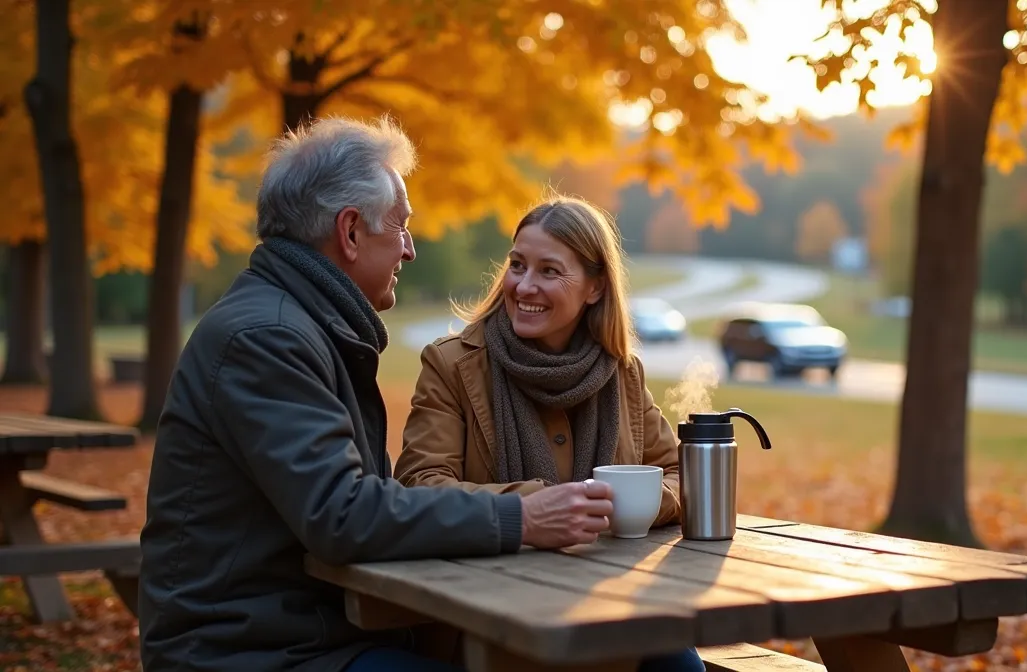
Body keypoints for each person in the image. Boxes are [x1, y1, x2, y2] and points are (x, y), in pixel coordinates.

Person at [137, 117, 617, 672]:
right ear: (350, 232)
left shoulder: (303, 325)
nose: (409, 249)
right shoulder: (267, 338)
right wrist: (521, 517)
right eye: (400, 226)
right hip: (245, 651)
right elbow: (342, 513)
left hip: (308, 631)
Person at [394, 196, 705, 672]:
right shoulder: (452, 365)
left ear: (595, 287)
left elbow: (679, 475)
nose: (524, 286)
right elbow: (420, 487)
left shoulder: (622, 372)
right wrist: (537, 508)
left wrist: (626, 503)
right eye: (517, 265)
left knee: (680, 665)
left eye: (549, 271)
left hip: (609, 604)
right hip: (488, 615)